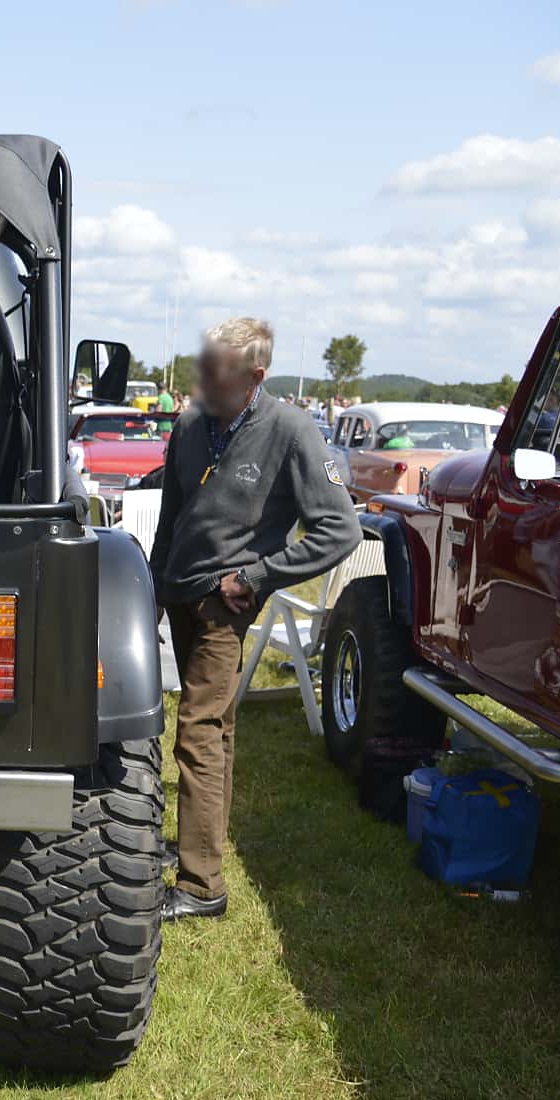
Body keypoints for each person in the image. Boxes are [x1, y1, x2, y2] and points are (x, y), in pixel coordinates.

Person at [148, 317, 359, 921]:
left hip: (225, 606)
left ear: (256, 376)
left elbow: (340, 529)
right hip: (180, 595)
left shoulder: (291, 430)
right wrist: (155, 590)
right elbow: (171, 518)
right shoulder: (190, 424)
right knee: (216, 731)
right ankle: (202, 848)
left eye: (219, 373)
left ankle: (201, 885)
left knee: (197, 731)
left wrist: (257, 577)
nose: (205, 382)